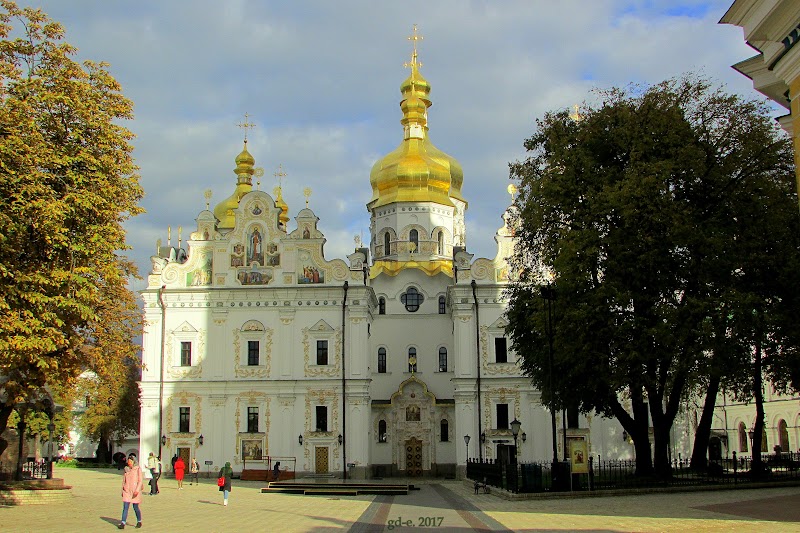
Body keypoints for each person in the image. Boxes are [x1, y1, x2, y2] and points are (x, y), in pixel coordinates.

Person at [118, 455, 143, 529]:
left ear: (134, 461)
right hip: (127, 491)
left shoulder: (137, 469)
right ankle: (123, 523)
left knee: (135, 507)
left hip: (135, 491)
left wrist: (137, 490)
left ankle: (139, 521)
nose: (129, 463)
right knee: (125, 507)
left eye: (130, 461)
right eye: (128, 461)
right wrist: (123, 489)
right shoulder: (126, 469)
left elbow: (140, 481)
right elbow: (124, 480)